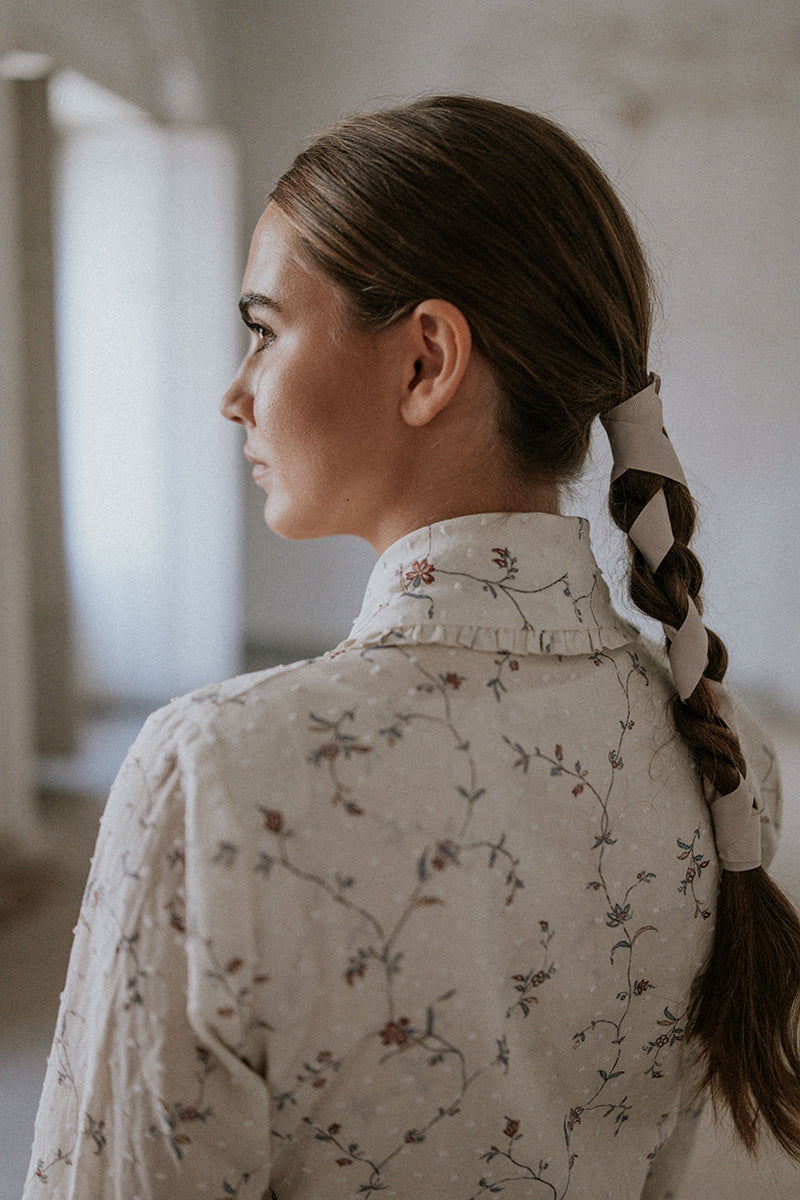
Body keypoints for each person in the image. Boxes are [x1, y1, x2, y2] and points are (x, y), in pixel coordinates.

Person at [24, 95, 800, 1200]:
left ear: (427, 360)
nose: (234, 393)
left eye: (264, 329)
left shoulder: (217, 776)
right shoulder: (727, 760)